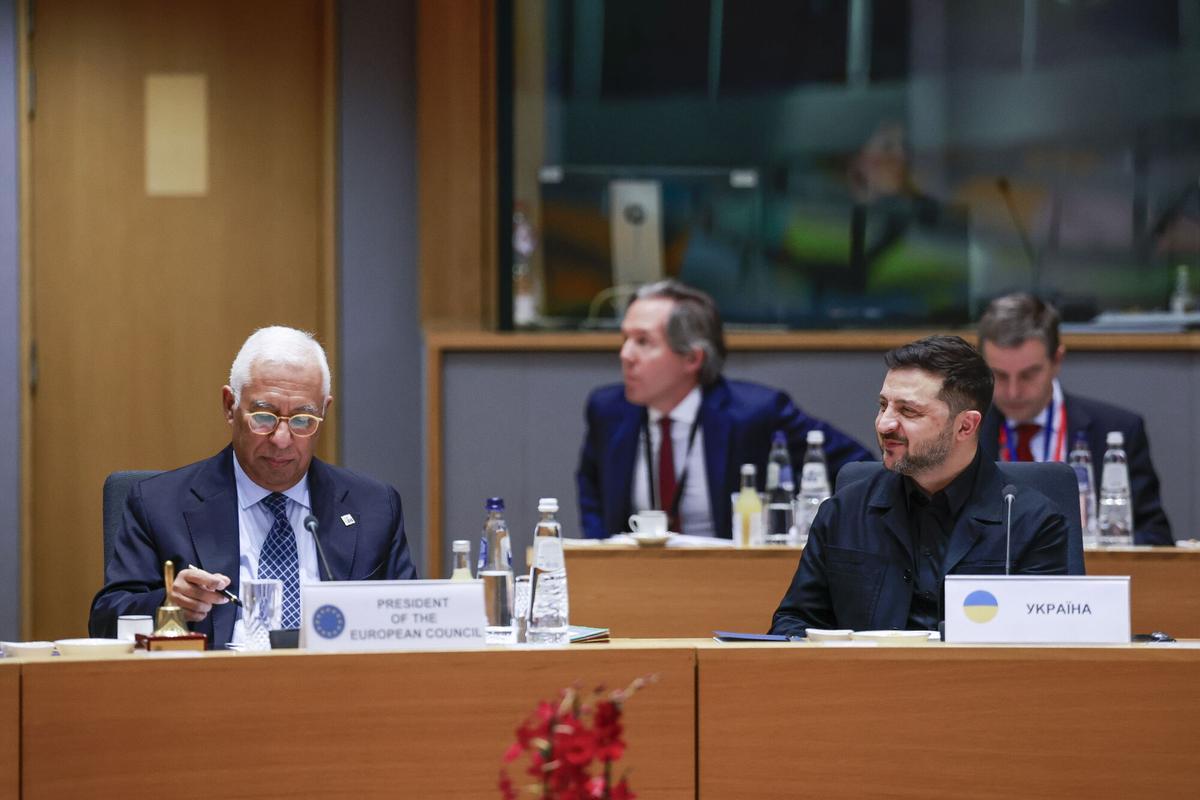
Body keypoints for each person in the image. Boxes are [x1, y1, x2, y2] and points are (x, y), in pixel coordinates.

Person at [89, 326, 418, 647]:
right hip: (214, 679)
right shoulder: (159, 504)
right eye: (264, 416)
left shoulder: (374, 507)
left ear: (324, 412)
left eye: (303, 420)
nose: (282, 439)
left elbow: (409, 627)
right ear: (229, 406)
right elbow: (105, 622)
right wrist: (170, 604)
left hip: (335, 679)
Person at [770, 335, 1067, 636]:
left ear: (965, 426)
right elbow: (792, 623)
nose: (884, 424)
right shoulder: (843, 512)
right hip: (867, 667)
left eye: (908, 411)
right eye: (883, 406)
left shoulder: (1032, 523)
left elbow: (1047, 644)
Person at [576, 280, 872, 540]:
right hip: (637, 574)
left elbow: (858, 467)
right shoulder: (608, 411)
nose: (625, 355)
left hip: (732, 574)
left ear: (692, 359)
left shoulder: (757, 413)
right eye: (625, 339)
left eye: (643, 342)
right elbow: (591, 487)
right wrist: (602, 550)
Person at [977, 293, 1172, 545]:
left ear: (1057, 360)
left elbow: (1155, 537)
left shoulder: (1116, 430)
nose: (1013, 392)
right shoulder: (966, 432)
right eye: (1000, 376)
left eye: (1028, 375)